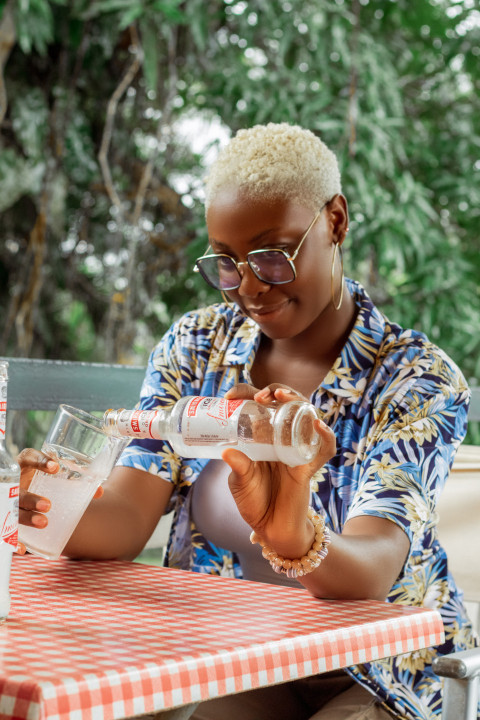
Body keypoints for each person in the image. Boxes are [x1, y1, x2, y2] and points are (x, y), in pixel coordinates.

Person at [18, 123, 478, 720]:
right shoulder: (195, 347)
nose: (251, 287)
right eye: (228, 263)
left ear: (335, 221)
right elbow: (129, 517)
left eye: (272, 255)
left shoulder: (416, 379)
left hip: (383, 674)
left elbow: (375, 567)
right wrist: (48, 507)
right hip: (242, 653)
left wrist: (295, 535)